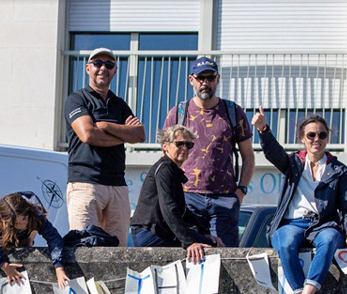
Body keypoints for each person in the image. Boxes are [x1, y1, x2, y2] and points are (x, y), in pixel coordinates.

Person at [251, 107, 347, 294]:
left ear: (327, 138)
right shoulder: (293, 164)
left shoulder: (339, 170)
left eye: (322, 135)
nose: (316, 139)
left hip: (323, 224)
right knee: (285, 242)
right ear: (302, 138)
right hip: (293, 222)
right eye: (311, 135)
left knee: (330, 240)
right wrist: (263, 129)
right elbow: (273, 152)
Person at [163, 56, 255, 247]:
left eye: (210, 78)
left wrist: (241, 191)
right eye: (200, 78)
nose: (205, 83)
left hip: (224, 199)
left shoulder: (233, 112)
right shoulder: (178, 113)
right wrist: (172, 193)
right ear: (191, 80)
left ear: (217, 79)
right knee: (189, 256)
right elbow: (167, 157)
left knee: (226, 259)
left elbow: (248, 155)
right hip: (187, 197)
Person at [64, 47, 146, 247]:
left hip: (117, 185)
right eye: (97, 64)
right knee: (83, 250)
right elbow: (88, 134)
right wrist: (123, 134)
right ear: (87, 68)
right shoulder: (77, 99)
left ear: (115, 70)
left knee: (117, 253)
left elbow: (140, 134)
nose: (103, 68)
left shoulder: (119, 104)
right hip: (85, 184)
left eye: (109, 65)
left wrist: (107, 126)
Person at [130, 125, 220, 264]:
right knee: (210, 249)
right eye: (179, 144)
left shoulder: (171, 170)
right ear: (165, 146)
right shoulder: (165, 169)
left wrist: (205, 232)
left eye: (188, 145)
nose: (184, 148)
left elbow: (183, 212)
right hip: (148, 233)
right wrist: (189, 242)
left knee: (210, 243)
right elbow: (168, 208)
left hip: (153, 231)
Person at [0, 192, 69, 289]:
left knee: (27, 239)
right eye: (17, 223)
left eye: (24, 219)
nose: (22, 225)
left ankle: (27, 238)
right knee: (8, 244)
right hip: (9, 232)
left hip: (31, 224)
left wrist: (59, 267)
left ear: (27, 213)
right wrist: (3, 265)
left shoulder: (36, 215)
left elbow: (54, 238)